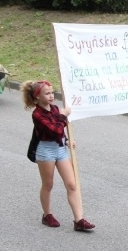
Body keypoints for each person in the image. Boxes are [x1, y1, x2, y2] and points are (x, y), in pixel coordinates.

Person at [22, 80, 95, 232]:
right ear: (37, 98)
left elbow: (61, 131)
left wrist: (67, 139)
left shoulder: (55, 108)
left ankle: (79, 220)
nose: (51, 96)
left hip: (60, 148)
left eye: (52, 92)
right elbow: (54, 129)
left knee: (71, 184)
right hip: (45, 150)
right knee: (48, 184)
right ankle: (47, 215)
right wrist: (62, 116)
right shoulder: (37, 114)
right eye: (47, 93)